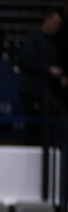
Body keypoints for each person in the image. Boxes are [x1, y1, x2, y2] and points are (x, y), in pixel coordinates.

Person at [18, 8, 67, 143]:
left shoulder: (53, 42)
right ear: (47, 21)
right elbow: (26, 61)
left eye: (59, 25)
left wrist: (59, 76)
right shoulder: (34, 38)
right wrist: (49, 70)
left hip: (46, 91)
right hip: (32, 91)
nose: (57, 27)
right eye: (55, 23)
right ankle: (33, 149)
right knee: (36, 125)